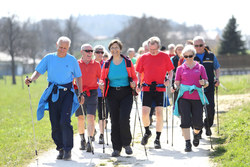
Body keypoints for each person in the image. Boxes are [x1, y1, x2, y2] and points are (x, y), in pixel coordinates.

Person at [25, 36, 84, 160]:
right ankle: (60, 148)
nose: (62, 50)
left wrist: (81, 93)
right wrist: (31, 78)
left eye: (65, 48)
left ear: (68, 48)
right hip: (53, 92)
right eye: (61, 47)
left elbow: (78, 77)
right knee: (55, 122)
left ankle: (68, 150)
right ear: (57, 45)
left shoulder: (72, 60)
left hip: (67, 93)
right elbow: (38, 72)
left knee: (65, 120)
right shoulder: (49, 58)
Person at [99, 39, 137, 157]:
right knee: (114, 120)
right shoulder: (107, 64)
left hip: (126, 92)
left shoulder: (127, 62)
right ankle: (116, 148)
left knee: (124, 119)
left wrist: (134, 84)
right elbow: (102, 79)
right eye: (112, 48)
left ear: (120, 49)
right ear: (109, 50)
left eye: (116, 47)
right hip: (111, 94)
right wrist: (101, 84)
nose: (114, 50)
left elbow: (134, 78)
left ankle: (126, 144)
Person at [136, 36, 174, 149]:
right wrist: (139, 83)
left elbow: (171, 71)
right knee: (144, 113)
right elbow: (138, 72)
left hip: (160, 88)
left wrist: (168, 80)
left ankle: (157, 139)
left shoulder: (164, 56)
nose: (152, 52)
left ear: (158, 47)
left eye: (155, 50)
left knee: (159, 114)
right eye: (151, 49)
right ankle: (147, 131)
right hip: (147, 88)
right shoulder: (143, 57)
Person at [172, 44, 209, 152]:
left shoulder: (200, 67)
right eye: (186, 56)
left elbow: (207, 82)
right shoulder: (180, 68)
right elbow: (177, 82)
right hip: (184, 98)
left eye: (190, 56)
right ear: (183, 56)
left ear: (194, 55)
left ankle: (196, 134)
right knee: (185, 121)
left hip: (197, 97)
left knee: (198, 123)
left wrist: (204, 83)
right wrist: (174, 87)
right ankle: (187, 143)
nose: (188, 58)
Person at [74, 43, 101, 153]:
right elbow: (71, 78)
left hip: (92, 93)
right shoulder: (76, 64)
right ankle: (82, 139)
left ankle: (90, 141)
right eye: (87, 51)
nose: (90, 53)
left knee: (90, 117)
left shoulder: (96, 64)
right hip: (79, 92)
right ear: (82, 52)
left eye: (91, 51)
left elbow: (101, 78)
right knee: (80, 118)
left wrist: (103, 84)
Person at [193, 36, 220, 137]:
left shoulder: (211, 56)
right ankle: (198, 130)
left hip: (209, 87)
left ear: (204, 45)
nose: (199, 47)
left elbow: (217, 68)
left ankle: (207, 125)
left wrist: (217, 78)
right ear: (193, 46)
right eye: (196, 45)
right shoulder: (190, 56)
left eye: (201, 45)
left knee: (210, 109)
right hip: (195, 89)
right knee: (197, 110)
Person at [94, 45, 109, 144]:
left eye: (101, 52)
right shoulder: (90, 63)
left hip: (103, 94)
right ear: (94, 53)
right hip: (91, 93)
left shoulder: (106, 64)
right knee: (91, 115)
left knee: (102, 116)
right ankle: (93, 130)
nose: (100, 54)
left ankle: (101, 135)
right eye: (98, 52)